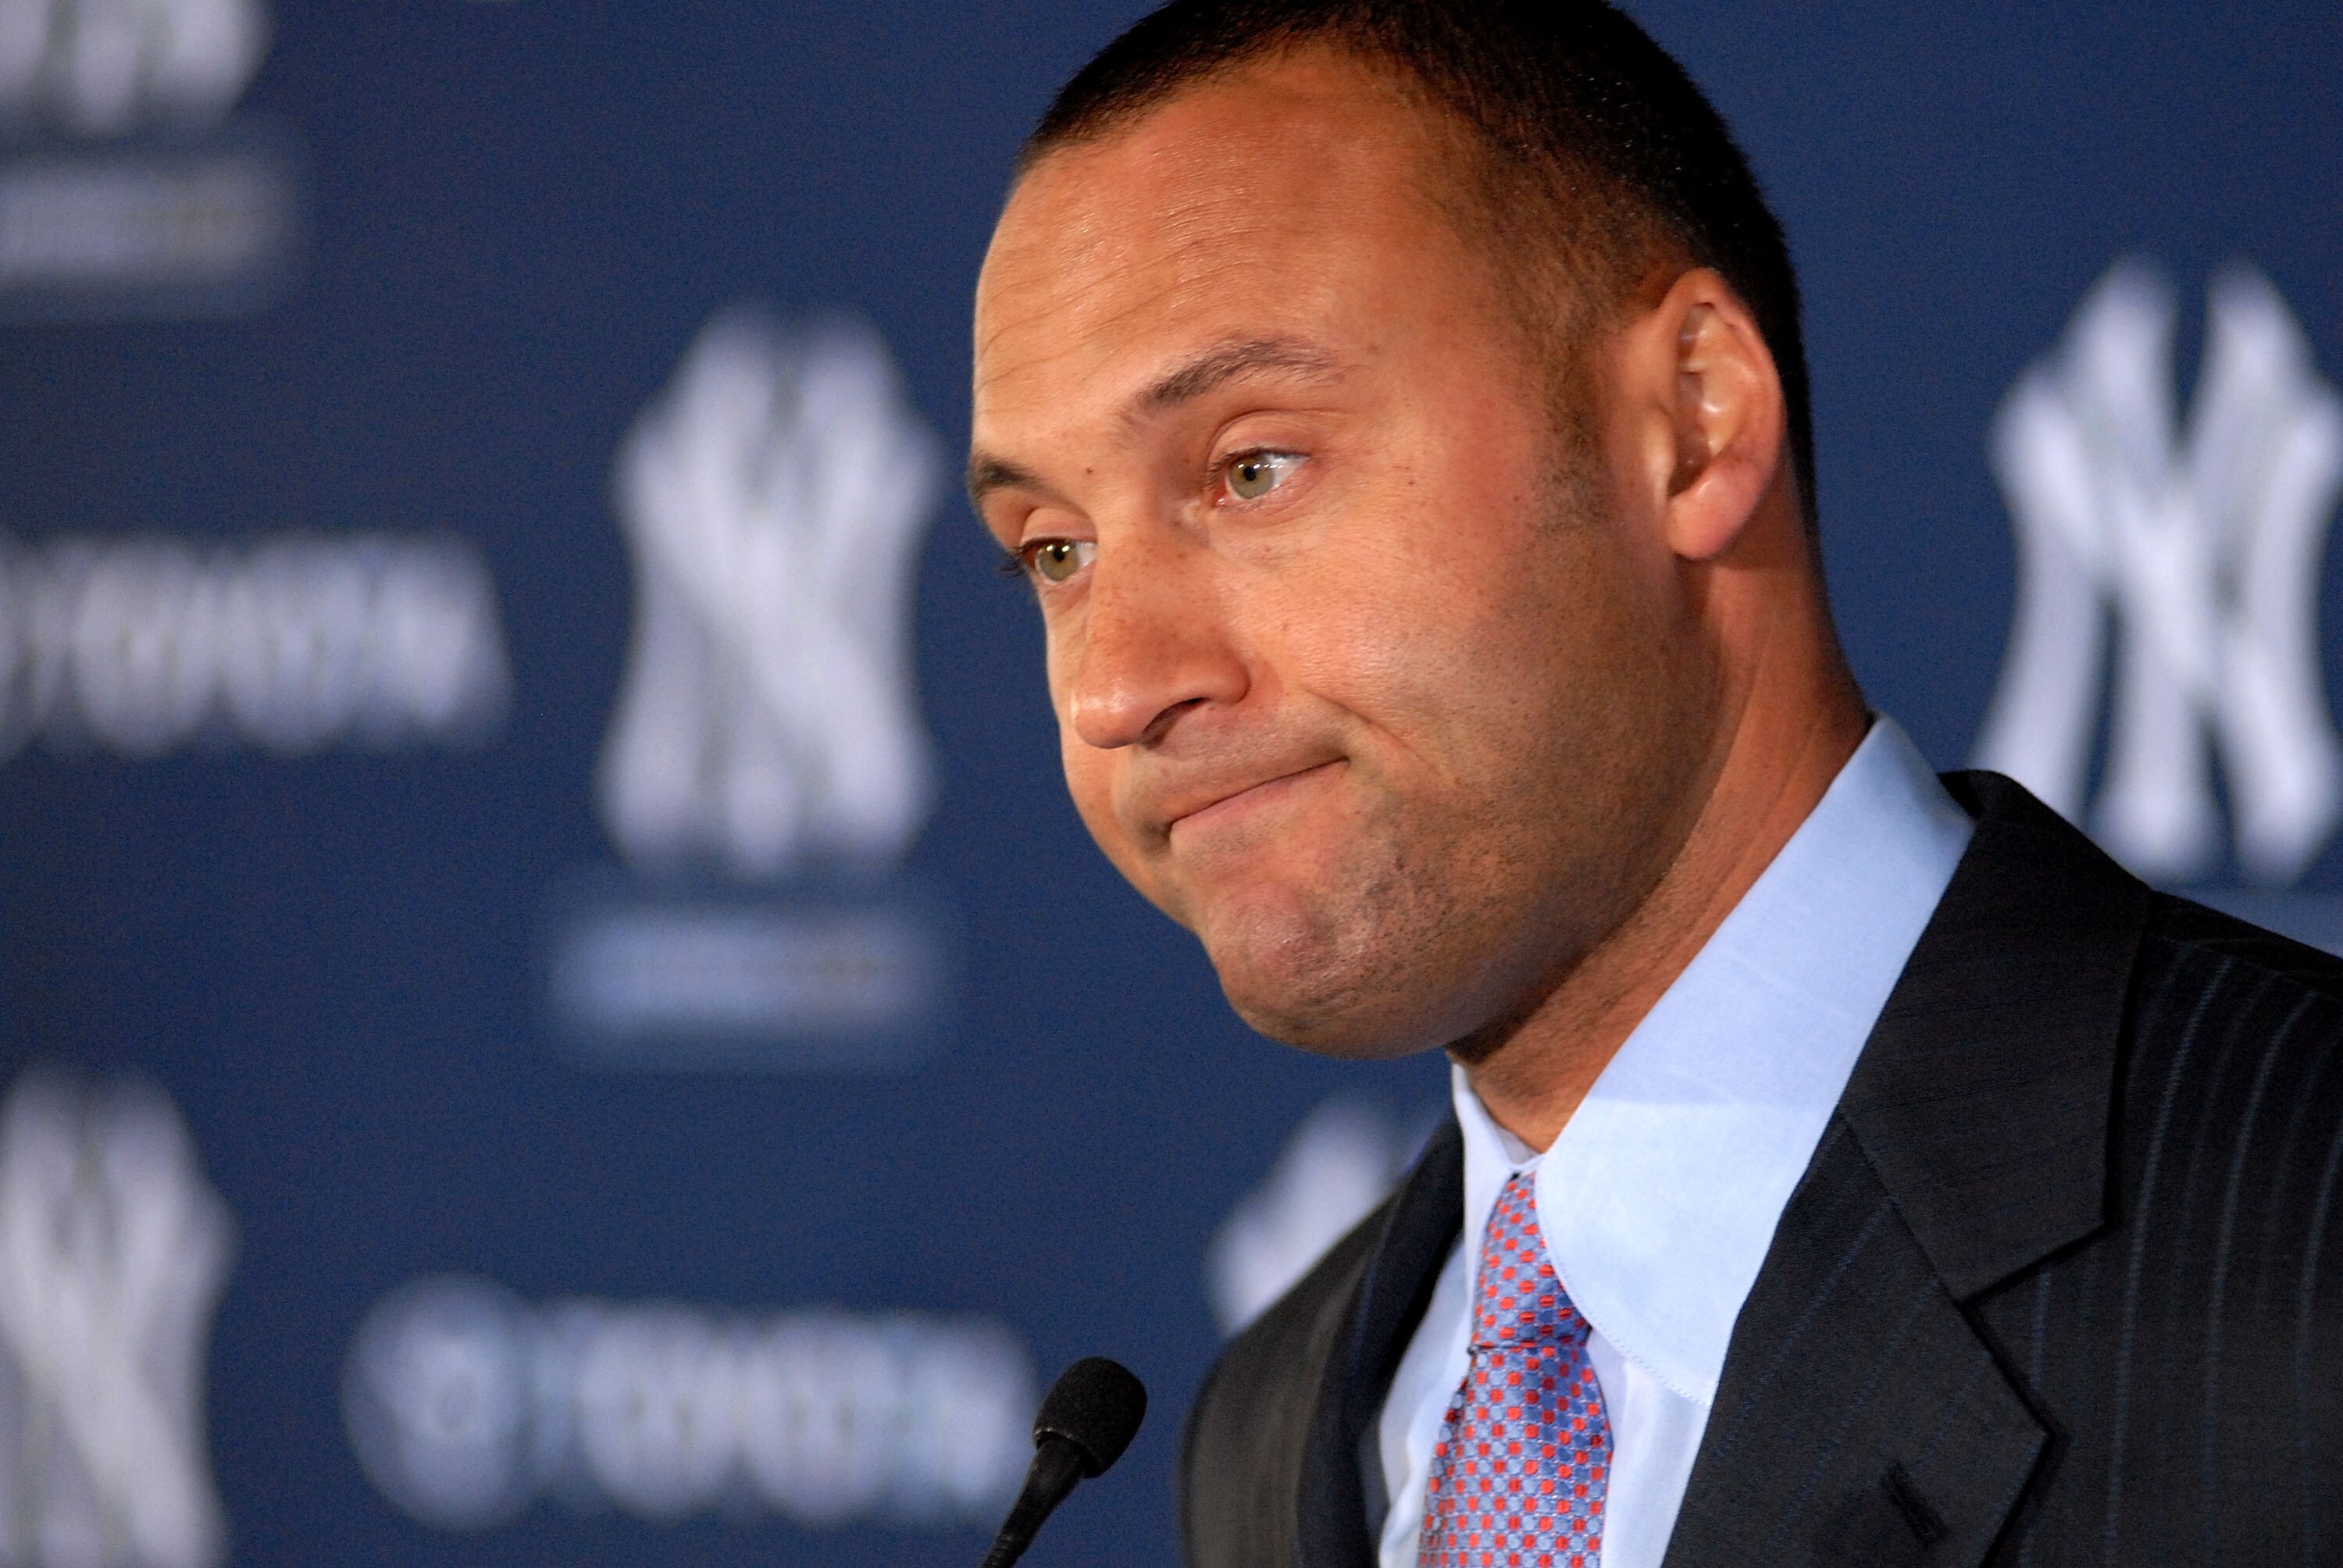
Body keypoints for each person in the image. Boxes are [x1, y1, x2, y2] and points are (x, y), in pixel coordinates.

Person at [965, 2, 2343, 1564]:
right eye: (1055, 551)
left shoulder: (2302, 1244)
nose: (1113, 683)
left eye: (1251, 468)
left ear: (1691, 426)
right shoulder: (1272, 1421)